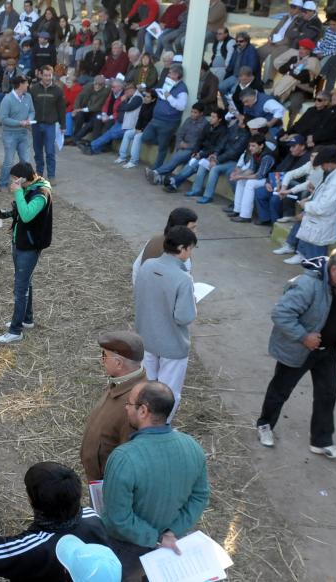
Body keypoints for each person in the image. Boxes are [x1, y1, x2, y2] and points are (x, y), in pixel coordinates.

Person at [256, 247, 336, 457]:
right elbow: (281, 314)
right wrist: (304, 337)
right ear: (334, 271)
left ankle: (321, 441)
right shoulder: (308, 285)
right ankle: (264, 425)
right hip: (298, 349)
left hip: (328, 349)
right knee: (281, 390)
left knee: (327, 394)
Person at [102, 381, 209, 581]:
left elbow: (119, 519)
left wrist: (156, 538)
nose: (126, 407)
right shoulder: (192, 446)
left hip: (125, 550)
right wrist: (170, 532)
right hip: (170, 546)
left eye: (129, 403)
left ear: (143, 411)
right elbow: (200, 496)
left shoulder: (124, 458)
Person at [134, 226, 197, 422]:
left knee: (147, 385)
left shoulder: (148, 266)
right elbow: (184, 317)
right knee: (168, 392)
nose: (190, 253)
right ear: (182, 248)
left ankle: (142, 422)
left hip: (146, 338)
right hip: (172, 344)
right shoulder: (183, 279)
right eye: (191, 248)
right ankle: (161, 426)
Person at [0, 162, 52, 344]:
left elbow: (28, 215)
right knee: (26, 283)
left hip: (29, 246)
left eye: (14, 179)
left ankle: (15, 330)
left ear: (23, 178)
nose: (12, 182)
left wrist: (18, 192)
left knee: (20, 289)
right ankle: (27, 319)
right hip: (21, 241)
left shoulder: (41, 194)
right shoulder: (31, 188)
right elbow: (22, 213)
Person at [80, 331, 147, 481]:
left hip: (109, 484)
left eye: (104, 355)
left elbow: (129, 460)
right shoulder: (121, 382)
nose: (102, 360)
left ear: (118, 363)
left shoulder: (134, 404)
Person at [289, 145, 336, 262]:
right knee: (312, 258)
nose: (321, 168)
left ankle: (313, 276)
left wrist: (305, 205)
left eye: (322, 165)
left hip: (322, 224)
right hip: (318, 223)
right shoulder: (335, 174)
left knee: (315, 261)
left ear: (330, 163)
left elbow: (323, 208)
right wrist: (310, 199)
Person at [0, 76, 36, 190]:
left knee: (26, 160)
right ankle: (3, 183)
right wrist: (20, 123)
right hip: (10, 134)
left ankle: (26, 183)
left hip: (24, 134)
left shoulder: (28, 97)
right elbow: (3, 119)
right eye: (26, 83)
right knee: (9, 161)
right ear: (20, 85)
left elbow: (32, 111)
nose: (28, 85)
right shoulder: (7, 99)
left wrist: (29, 119)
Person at [30, 66, 64, 183]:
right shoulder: (34, 89)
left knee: (50, 151)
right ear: (40, 75)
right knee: (38, 151)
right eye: (45, 75)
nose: (48, 78)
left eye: (50, 75)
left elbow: (61, 109)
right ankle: (39, 174)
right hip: (36, 124)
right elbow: (29, 106)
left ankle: (51, 175)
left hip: (50, 125)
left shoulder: (57, 90)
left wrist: (63, 125)